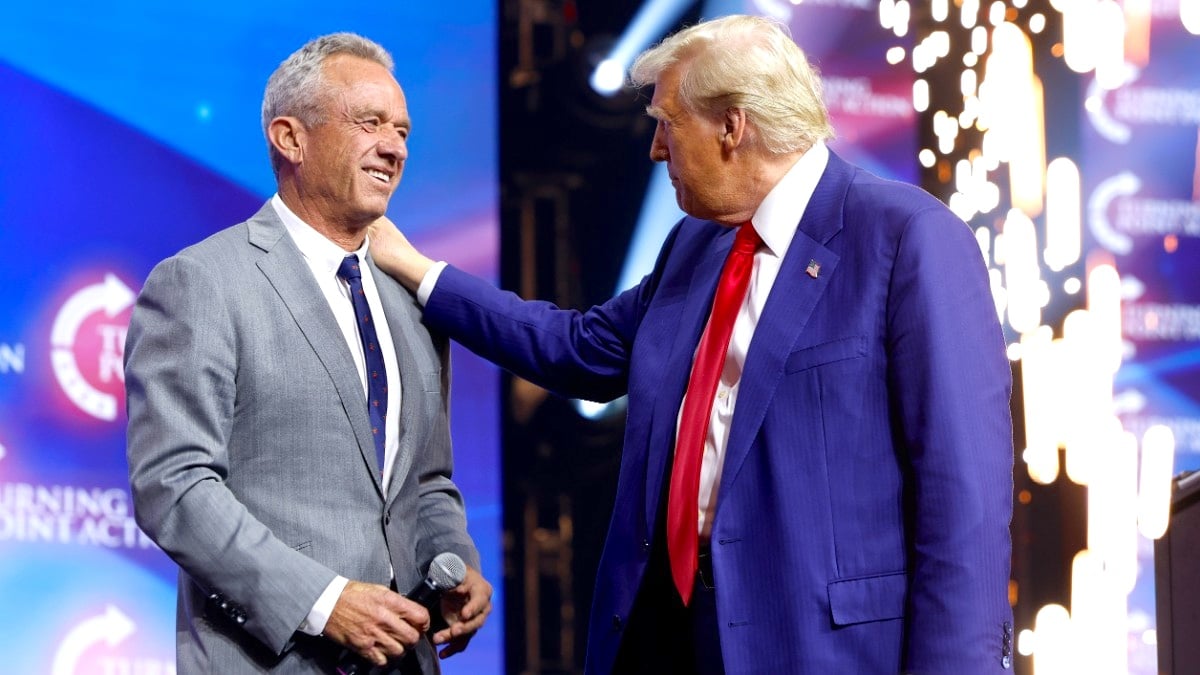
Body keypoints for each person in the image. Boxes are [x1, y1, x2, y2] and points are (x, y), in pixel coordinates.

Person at [370, 14, 1014, 675]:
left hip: (820, 649)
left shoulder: (905, 239)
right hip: (666, 636)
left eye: (667, 122)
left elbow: (963, 496)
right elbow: (579, 349)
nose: (654, 148)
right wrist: (419, 272)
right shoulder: (696, 245)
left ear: (732, 127)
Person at [124, 33, 492, 674]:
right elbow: (174, 487)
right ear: (290, 138)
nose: (395, 147)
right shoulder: (203, 282)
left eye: (403, 130)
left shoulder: (412, 302)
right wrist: (324, 603)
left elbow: (425, 481)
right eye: (370, 123)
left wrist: (453, 561)